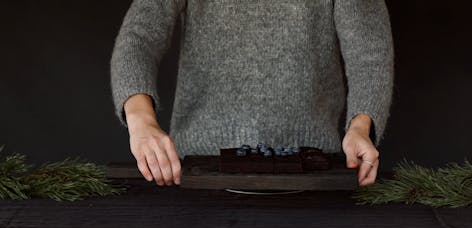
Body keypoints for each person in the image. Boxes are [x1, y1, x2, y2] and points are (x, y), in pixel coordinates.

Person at [110, 0, 394, 187]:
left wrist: (361, 126)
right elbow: (139, 37)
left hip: (312, 176)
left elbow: (369, 52)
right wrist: (141, 121)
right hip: (198, 175)